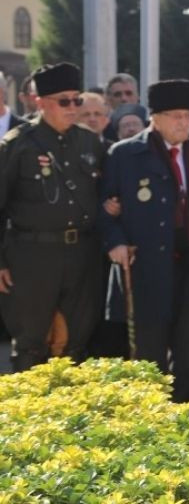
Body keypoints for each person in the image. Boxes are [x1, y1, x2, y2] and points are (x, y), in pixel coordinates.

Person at [98, 80, 189, 433]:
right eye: (175, 116)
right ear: (155, 117)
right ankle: (150, 417)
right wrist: (116, 242)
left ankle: (188, 411)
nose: (183, 123)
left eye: (188, 116)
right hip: (147, 265)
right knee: (150, 346)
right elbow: (106, 207)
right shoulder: (125, 154)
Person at [0, 62, 106, 371]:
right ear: (39, 101)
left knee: (76, 342)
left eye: (77, 99)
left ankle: (70, 415)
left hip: (82, 254)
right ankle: (30, 416)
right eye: (64, 101)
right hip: (32, 256)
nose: (73, 108)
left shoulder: (89, 142)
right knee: (32, 343)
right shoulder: (16, 145)